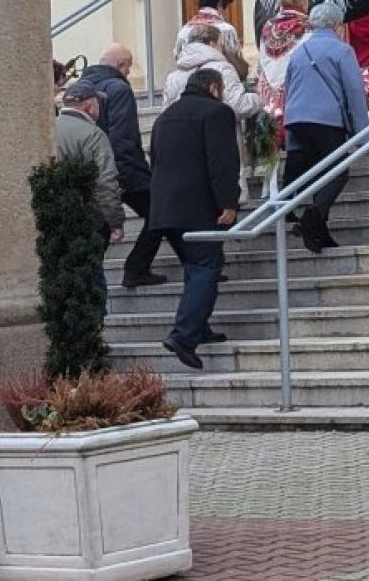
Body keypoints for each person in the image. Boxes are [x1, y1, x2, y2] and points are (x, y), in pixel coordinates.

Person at [151, 69, 240, 371]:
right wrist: (228, 202)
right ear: (214, 87)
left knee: (194, 267)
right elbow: (222, 161)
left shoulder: (166, 116)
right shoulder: (217, 112)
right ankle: (184, 336)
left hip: (165, 208)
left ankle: (200, 327)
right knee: (207, 266)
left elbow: (156, 158)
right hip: (198, 206)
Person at [283, 3, 369, 254]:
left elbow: (288, 89)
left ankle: (319, 231)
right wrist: (362, 131)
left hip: (296, 120)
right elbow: (355, 91)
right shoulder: (342, 51)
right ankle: (312, 217)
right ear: (336, 25)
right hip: (326, 120)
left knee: (318, 175)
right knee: (338, 172)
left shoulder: (298, 52)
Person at [79, 45, 165, 290]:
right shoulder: (118, 89)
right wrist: (127, 173)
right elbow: (123, 136)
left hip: (96, 173)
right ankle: (136, 269)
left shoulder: (83, 88)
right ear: (121, 65)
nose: (128, 73)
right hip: (124, 172)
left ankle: (89, 285)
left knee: (101, 229)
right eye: (128, 67)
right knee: (159, 212)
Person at [54, 80, 126, 296]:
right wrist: (114, 220)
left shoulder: (48, 129)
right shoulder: (93, 135)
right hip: (86, 219)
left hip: (55, 218)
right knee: (92, 279)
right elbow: (105, 181)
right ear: (89, 106)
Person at [165, 24, 263, 117]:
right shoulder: (222, 68)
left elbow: (166, 111)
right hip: (216, 130)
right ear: (212, 44)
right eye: (221, 45)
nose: (222, 50)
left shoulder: (173, 77)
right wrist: (261, 98)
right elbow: (239, 106)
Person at [255, 0, 314, 125]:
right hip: (297, 98)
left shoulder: (268, 25)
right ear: (301, 0)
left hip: (270, 97)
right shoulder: (307, 25)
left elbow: (262, 62)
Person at [174, 0, 247, 79]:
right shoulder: (226, 30)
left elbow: (178, 58)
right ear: (220, 4)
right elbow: (237, 63)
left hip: (189, 84)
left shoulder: (184, 30)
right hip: (220, 83)